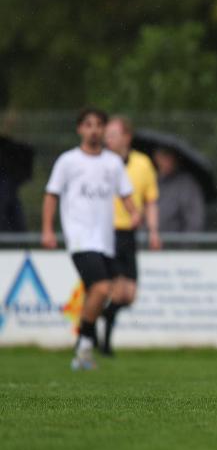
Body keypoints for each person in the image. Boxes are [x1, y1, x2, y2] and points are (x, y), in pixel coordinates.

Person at [42, 108, 140, 371]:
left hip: (105, 239)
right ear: (80, 129)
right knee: (101, 288)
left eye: (99, 125)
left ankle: (84, 350)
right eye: (88, 125)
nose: (94, 130)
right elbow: (52, 194)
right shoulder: (68, 161)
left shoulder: (112, 163)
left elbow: (125, 192)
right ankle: (84, 341)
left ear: (104, 130)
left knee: (98, 293)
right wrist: (48, 229)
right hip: (80, 238)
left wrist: (133, 213)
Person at [101, 116, 162, 356]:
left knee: (129, 296)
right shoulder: (102, 163)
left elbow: (151, 200)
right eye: (107, 135)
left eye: (112, 134)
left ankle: (99, 317)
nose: (108, 139)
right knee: (118, 291)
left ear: (126, 137)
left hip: (130, 234)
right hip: (107, 233)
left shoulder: (142, 163)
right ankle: (104, 344)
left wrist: (154, 231)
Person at [154, 147, 206, 232]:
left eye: (170, 156)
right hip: (146, 242)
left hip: (174, 242)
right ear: (156, 157)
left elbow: (195, 220)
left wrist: (185, 243)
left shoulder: (187, 184)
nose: (167, 160)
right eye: (163, 155)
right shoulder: (149, 179)